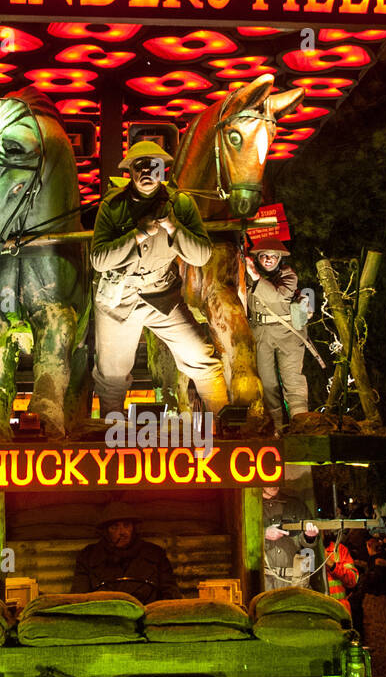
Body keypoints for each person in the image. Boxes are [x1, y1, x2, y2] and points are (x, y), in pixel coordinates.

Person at [90, 140, 228, 419]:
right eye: (139, 165)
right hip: (119, 296)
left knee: (202, 357)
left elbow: (201, 256)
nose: (146, 172)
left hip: (162, 293)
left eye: (153, 166)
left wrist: (172, 226)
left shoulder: (181, 203)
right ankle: (109, 436)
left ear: (162, 170)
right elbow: (99, 260)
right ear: (130, 170)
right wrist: (137, 234)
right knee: (112, 374)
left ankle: (225, 428)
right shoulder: (112, 206)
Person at [244, 237, 312, 433]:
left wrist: (255, 276)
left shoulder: (289, 276)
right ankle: (278, 427)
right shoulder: (246, 276)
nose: (268, 260)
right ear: (256, 258)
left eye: (273, 256)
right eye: (263, 256)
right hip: (260, 332)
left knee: (292, 379)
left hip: (288, 333)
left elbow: (276, 295)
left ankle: (301, 424)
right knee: (267, 382)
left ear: (280, 258)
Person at [71, 502, 181, 604]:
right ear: (106, 531)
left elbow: (171, 594)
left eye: (126, 525)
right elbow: (79, 598)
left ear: (134, 528)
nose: (122, 532)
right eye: (114, 527)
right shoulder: (89, 557)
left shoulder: (154, 554)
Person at [261, 484, 319, 591]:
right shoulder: (251, 507)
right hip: (264, 581)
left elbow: (307, 544)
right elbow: (241, 536)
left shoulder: (295, 505)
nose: (274, 484)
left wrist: (309, 536)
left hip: (294, 580)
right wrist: (263, 533)